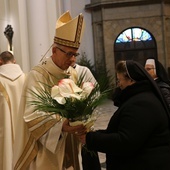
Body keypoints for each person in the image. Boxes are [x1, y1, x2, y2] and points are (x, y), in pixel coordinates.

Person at [13, 11, 87, 170]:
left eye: (75, 54)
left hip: (69, 144)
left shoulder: (72, 73)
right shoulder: (38, 75)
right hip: (45, 151)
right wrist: (61, 125)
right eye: (69, 54)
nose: (73, 59)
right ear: (54, 51)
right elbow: (33, 114)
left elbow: (78, 104)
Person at [78, 60, 170, 170]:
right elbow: (126, 132)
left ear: (131, 80)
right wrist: (96, 134)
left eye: (119, 80)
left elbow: (125, 142)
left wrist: (90, 139)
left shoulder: (142, 104)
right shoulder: (141, 98)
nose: (118, 84)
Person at [0, 51, 26, 170]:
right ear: (14, 60)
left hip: (4, 130)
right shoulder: (25, 78)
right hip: (24, 129)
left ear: (0, 62)